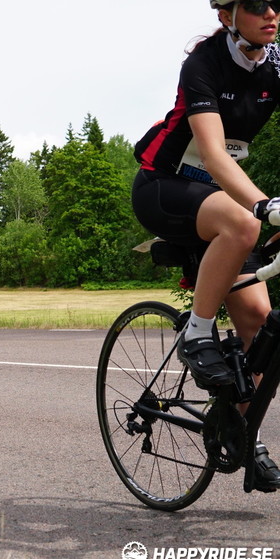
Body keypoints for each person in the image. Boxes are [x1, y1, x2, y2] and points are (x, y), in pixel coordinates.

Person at [132, 0, 280, 491]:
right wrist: (264, 206)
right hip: (164, 185)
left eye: (277, 3)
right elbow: (215, 155)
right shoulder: (203, 64)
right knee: (244, 225)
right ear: (227, 15)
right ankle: (197, 334)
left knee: (258, 321)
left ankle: (243, 429)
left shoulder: (275, 66)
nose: (271, 12)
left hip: (217, 199)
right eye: (257, 4)